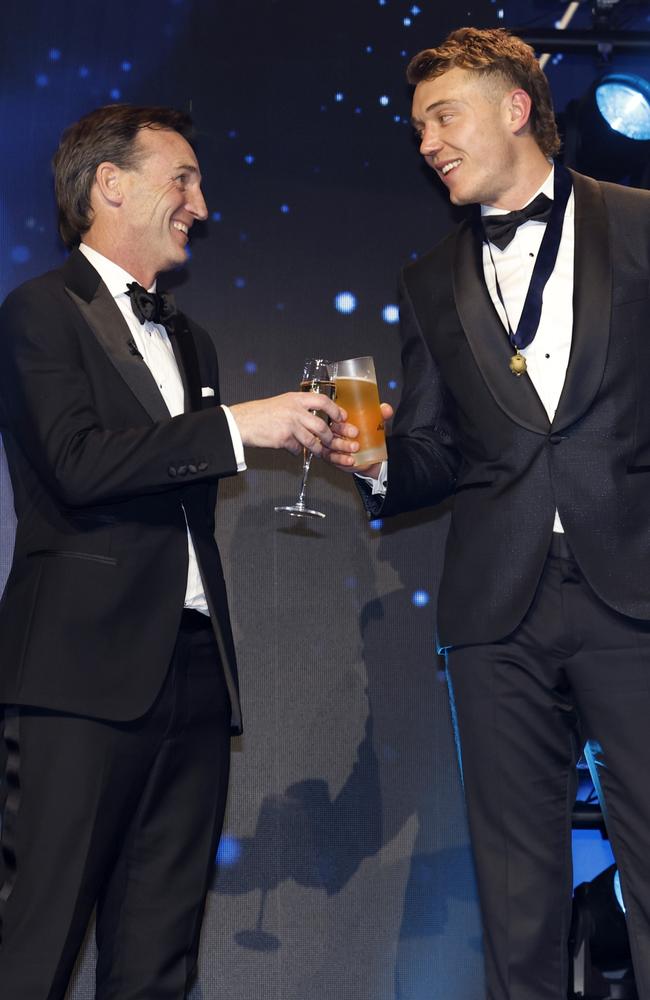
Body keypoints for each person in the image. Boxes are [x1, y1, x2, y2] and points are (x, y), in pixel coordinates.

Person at [0, 103, 352, 999]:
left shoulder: (191, 338)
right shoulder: (40, 310)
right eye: (183, 179)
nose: (201, 202)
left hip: (194, 673)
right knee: (33, 940)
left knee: (159, 954)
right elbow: (77, 464)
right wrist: (236, 426)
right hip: (78, 679)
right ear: (109, 185)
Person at [326, 26, 650, 1000]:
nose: (425, 141)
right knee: (514, 885)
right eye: (417, 125)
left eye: (441, 116)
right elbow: (432, 455)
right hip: (492, 613)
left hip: (633, 587)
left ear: (514, 107)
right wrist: (374, 459)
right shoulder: (428, 282)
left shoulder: (638, 223)